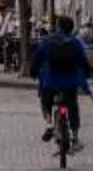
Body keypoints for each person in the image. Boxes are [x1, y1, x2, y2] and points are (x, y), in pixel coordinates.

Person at [33, 14, 89, 148]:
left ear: (57, 26)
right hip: (70, 81)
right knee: (73, 106)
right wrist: (86, 75)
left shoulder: (47, 41)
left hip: (50, 80)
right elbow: (83, 62)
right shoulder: (75, 42)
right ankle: (75, 137)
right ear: (71, 28)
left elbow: (36, 59)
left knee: (45, 100)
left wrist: (34, 72)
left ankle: (49, 123)